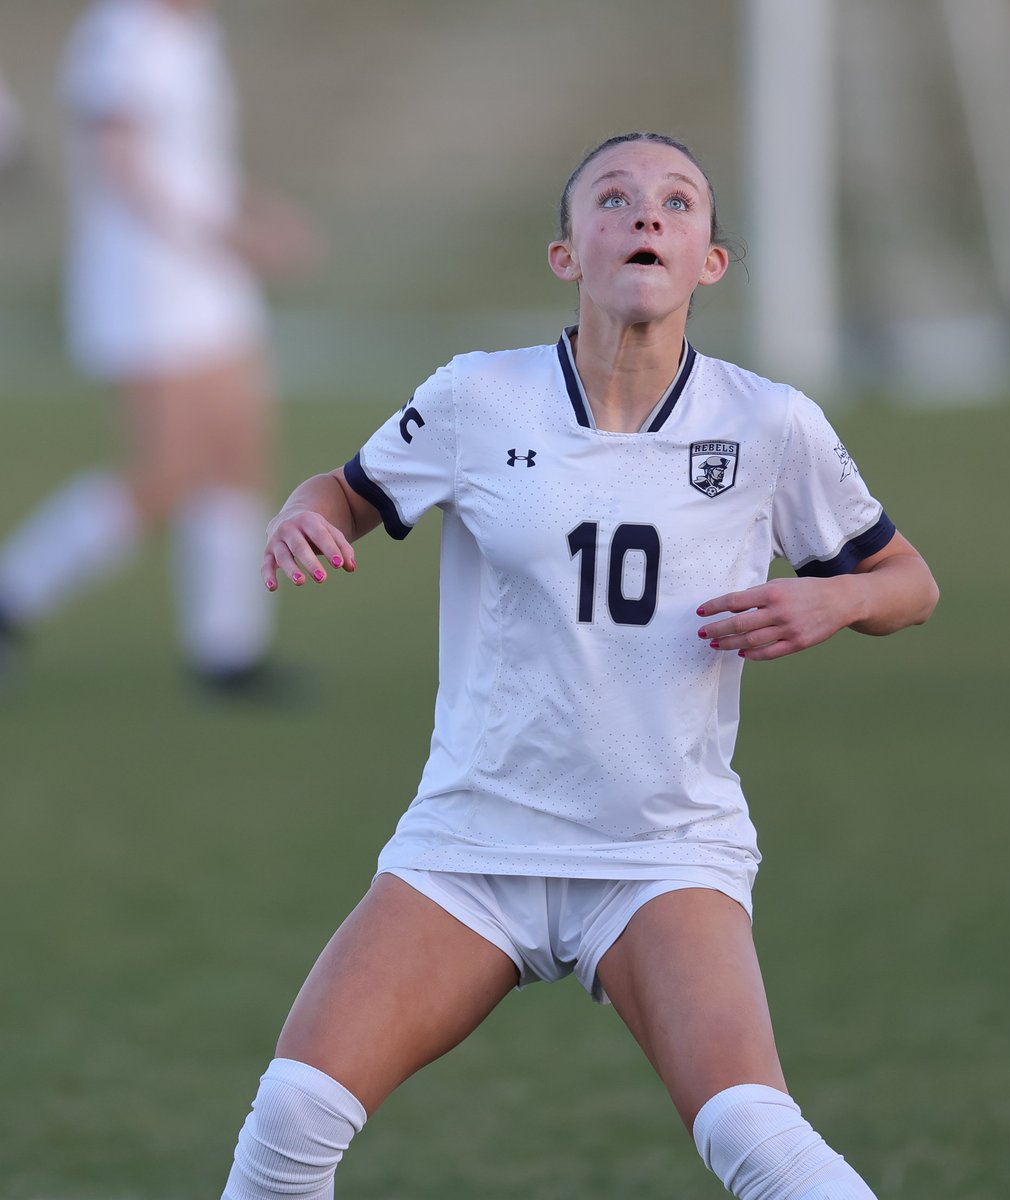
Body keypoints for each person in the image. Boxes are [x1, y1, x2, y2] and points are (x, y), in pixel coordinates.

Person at [222, 132, 940, 1199]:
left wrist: (834, 597)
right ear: (567, 254)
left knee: (754, 1133)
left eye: (677, 202)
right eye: (613, 198)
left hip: (662, 851)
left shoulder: (769, 425)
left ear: (711, 261)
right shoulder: (479, 399)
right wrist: (298, 514)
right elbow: (345, 490)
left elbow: (909, 581)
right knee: (289, 1120)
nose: (645, 215)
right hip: (473, 844)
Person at [0, 0, 316, 691]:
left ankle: (228, 651)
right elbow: (120, 164)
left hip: (208, 281)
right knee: (169, 471)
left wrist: (257, 213)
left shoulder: (194, 31)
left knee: (238, 451)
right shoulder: (122, 32)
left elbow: (192, 165)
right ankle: (13, 592)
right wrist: (228, 236)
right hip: (142, 284)